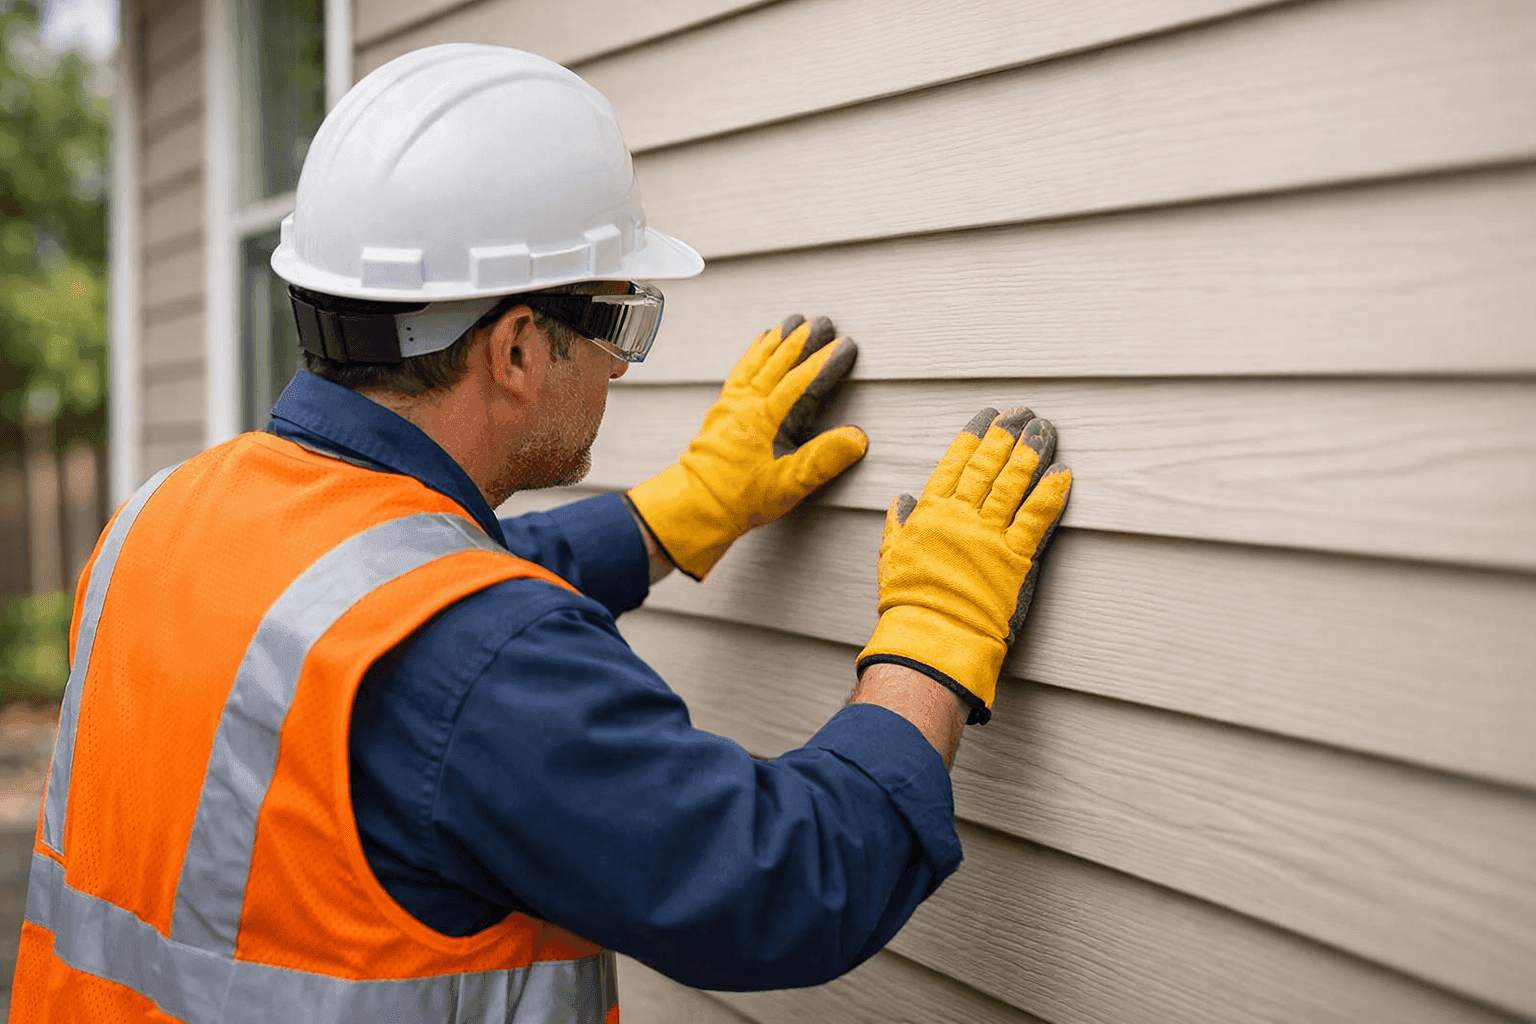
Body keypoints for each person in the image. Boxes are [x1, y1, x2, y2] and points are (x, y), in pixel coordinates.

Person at [11, 44, 1070, 1024]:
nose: (621, 364)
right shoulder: (480, 660)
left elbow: (388, 606)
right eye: (620, 321)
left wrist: (672, 515)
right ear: (517, 349)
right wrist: (932, 634)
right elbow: (786, 882)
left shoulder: (163, 517)